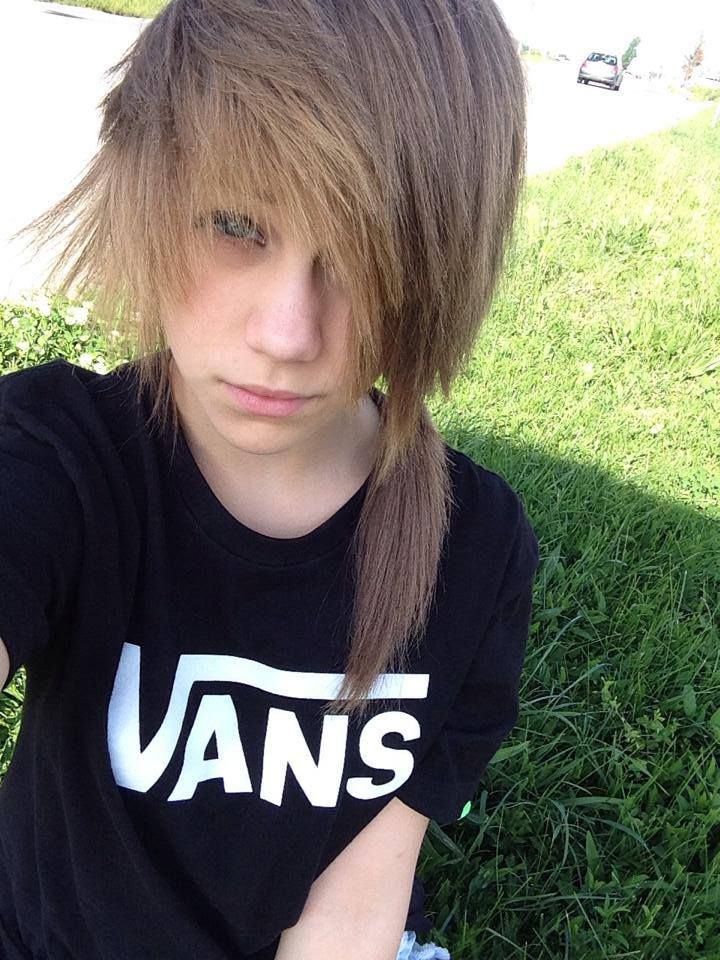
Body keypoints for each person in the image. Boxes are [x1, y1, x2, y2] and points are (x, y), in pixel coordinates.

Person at [0, 0, 537, 957]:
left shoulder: (478, 547)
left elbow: (359, 903)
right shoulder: (60, 456)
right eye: (236, 224)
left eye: (364, 253)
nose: (287, 333)